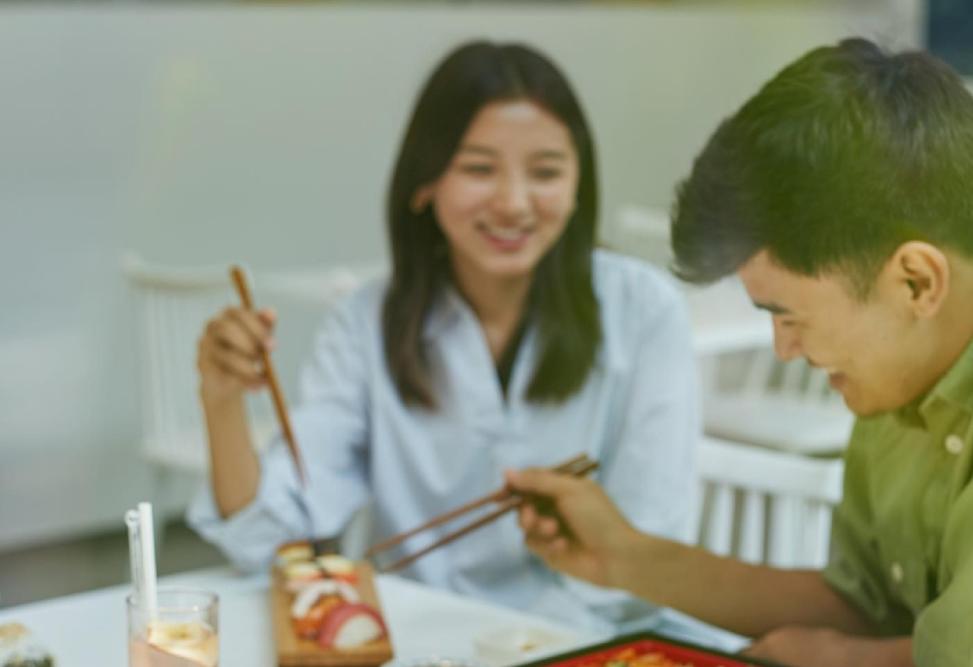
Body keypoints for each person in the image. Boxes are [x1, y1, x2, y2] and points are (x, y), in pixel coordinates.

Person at [508, 37, 973, 667]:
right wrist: (623, 557)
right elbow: (866, 606)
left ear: (916, 282)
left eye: (790, 315)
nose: (785, 350)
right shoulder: (904, 365)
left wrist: (843, 660)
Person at [187, 40, 701, 635]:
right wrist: (221, 400)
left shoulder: (644, 311)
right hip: (421, 638)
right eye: (479, 169)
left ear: (579, 183)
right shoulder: (364, 322)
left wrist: (510, 646)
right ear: (424, 182)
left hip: (588, 641)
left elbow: (649, 551)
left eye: (546, 172)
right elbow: (271, 538)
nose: (513, 202)